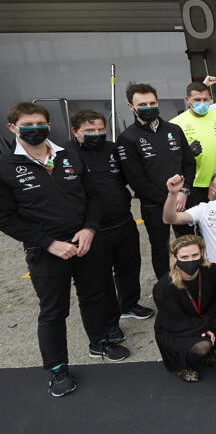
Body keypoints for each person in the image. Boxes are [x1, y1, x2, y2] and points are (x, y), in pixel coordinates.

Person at [0, 102, 129, 397]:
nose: (36, 130)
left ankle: (100, 341)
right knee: (53, 310)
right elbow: (5, 218)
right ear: (13, 128)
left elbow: (93, 195)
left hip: (84, 242)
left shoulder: (68, 156)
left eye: (40, 124)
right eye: (28, 125)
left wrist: (89, 228)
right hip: (46, 250)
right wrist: (47, 243)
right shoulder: (5, 167)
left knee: (95, 296)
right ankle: (57, 368)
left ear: (49, 126)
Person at [67, 109, 151, 337]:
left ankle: (129, 304)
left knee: (129, 266)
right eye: (89, 130)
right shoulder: (66, 154)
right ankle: (110, 323)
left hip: (122, 220)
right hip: (93, 228)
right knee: (100, 279)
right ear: (76, 132)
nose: (96, 134)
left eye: (100, 129)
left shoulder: (113, 149)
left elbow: (127, 177)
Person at [118, 83, 196, 279]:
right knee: (161, 249)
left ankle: (193, 283)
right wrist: (170, 199)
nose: (148, 107)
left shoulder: (174, 130)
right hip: (154, 205)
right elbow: (137, 181)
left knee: (189, 244)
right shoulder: (127, 138)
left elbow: (189, 164)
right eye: (142, 104)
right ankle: (166, 290)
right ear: (131, 107)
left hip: (182, 202)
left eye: (152, 102)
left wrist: (184, 192)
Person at [153, 235, 216, 382]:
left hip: (204, 319)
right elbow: (176, 323)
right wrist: (214, 323)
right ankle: (183, 367)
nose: (190, 260)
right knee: (202, 346)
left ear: (202, 253)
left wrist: (208, 324)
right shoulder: (164, 288)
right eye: (184, 257)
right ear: (173, 257)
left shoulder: (213, 271)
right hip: (177, 329)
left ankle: (209, 351)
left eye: (194, 255)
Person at [171, 81, 216, 209]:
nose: (202, 102)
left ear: (210, 98)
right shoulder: (175, 124)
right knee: (198, 222)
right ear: (187, 99)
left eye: (205, 99)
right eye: (197, 99)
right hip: (195, 183)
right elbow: (171, 158)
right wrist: (188, 153)